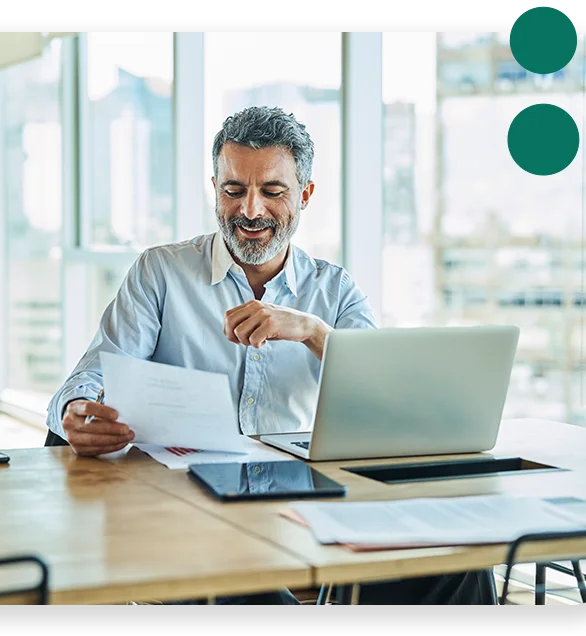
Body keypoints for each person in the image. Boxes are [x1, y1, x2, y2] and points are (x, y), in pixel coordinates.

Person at [45, 106, 496, 605]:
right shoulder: (161, 273)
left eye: (273, 192)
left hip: (302, 500)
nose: (250, 210)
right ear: (214, 188)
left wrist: (311, 330)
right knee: (250, 591)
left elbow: (391, 401)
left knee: (461, 564)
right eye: (233, 190)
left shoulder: (335, 291)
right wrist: (76, 413)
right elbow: (89, 378)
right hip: (182, 504)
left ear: (305, 194)